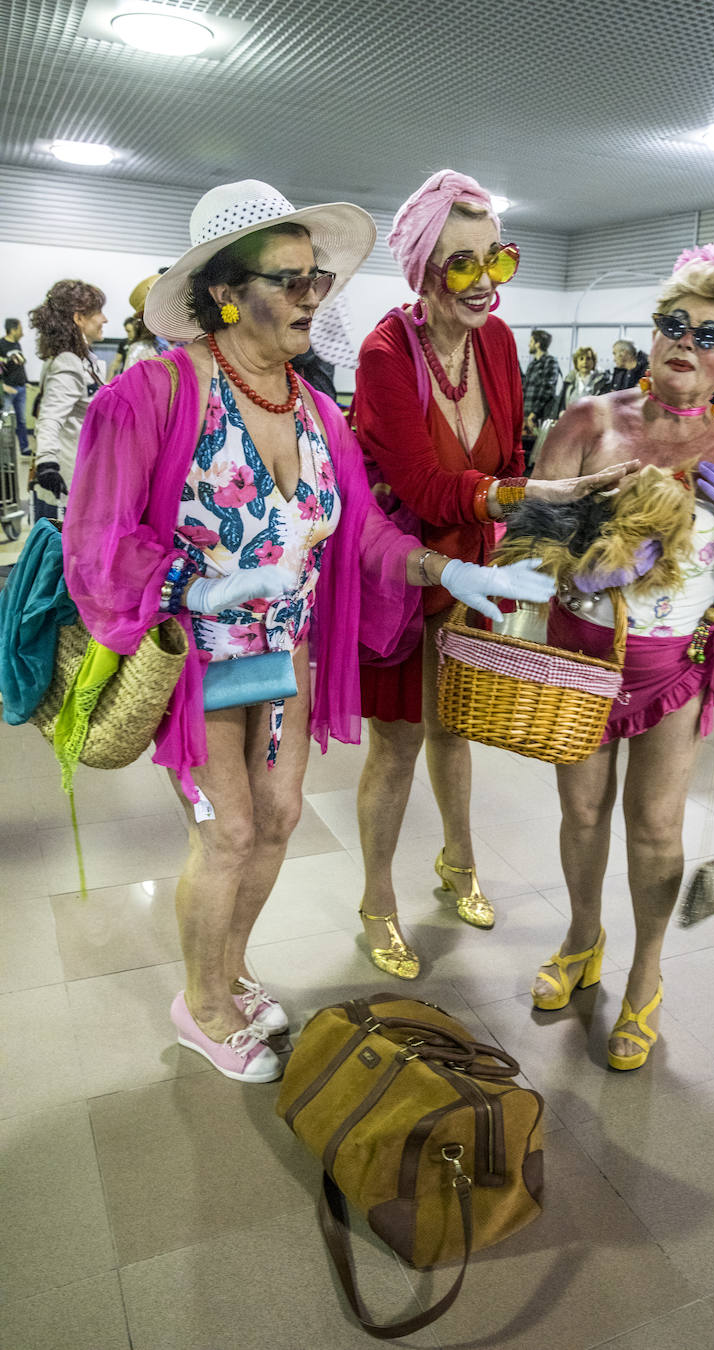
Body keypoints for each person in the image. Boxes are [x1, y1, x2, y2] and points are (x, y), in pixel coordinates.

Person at [63, 178, 556, 1084]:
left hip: (283, 660)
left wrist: (452, 569)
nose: (312, 296)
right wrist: (198, 587)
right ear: (224, 291)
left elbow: (362, 529)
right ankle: (201, 1007)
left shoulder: (317, 411)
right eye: (290, 280)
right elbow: (97, 541)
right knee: (228, 835)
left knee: (281, 817)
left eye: (316, 278)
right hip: (204, 667)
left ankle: (231, 970)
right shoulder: (155, 395)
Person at [352, 170, 636, 979]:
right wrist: (533, 492)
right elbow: (425, 489)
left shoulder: (502, 345)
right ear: (422, 271)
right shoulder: (383, 354)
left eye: (497, 261)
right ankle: (377, 899)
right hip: (409, 575)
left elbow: (508, 455)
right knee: (400, 741)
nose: (485, 285)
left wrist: (539, 537)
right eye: (463, 265)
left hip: (476, 567)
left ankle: (458, 860)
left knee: (458, 725)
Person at [529, 241, 714, 1070]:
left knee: (656, 829)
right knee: (579, 814)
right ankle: (580, 938)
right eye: (673, 324)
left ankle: (645, 974)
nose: (685, 341)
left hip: (671, 671)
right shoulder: (588, 423)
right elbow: (520, 546)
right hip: (577, 657)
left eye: (708, 335)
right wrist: (589, 553)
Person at [30, 280, 107, 519]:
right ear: (79, 319)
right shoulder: (68, 361)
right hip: (69, 480)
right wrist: (47, 463)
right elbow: (50, 417)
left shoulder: (79, 359)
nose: (104, 319)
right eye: (98, 313)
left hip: (83, 473)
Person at [0, 318, 31, 454]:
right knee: (5, 422)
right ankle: (5, 454)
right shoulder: (1, 344)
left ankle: (24, 448)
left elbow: (19, 367)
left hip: (20, 388)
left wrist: (26, 381)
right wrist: (3, 386)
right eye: (20, 329)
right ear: (12, 330)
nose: (22, 332)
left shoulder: (17, 344)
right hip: (8, 389)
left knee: (22, 420)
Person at [521, 328, 561, 431]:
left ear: (538, 344)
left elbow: (547, 390)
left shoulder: (550, 362)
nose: (529, 345)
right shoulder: (532, 364)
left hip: (540, 417)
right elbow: (524, 388)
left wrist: (533, 414)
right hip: (526, 417)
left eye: (531, 341)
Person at [556, 346, 608, 414]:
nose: (585, 362)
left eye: (588, 359)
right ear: (576, 363)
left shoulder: (601, 382)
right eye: (581, 359)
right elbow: (561, 403)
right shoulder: (569, 381)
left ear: (593, 362)